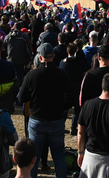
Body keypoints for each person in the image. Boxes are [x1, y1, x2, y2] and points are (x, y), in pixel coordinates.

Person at [18, 42, 76, 178]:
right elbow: (72, 97)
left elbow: (21, 98)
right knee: (59, 155)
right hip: (56, 119)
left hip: (37, 119)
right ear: (53, 56)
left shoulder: (32, 75)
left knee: (34, 157)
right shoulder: (61, 74)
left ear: (40, 57)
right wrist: (63, 107)